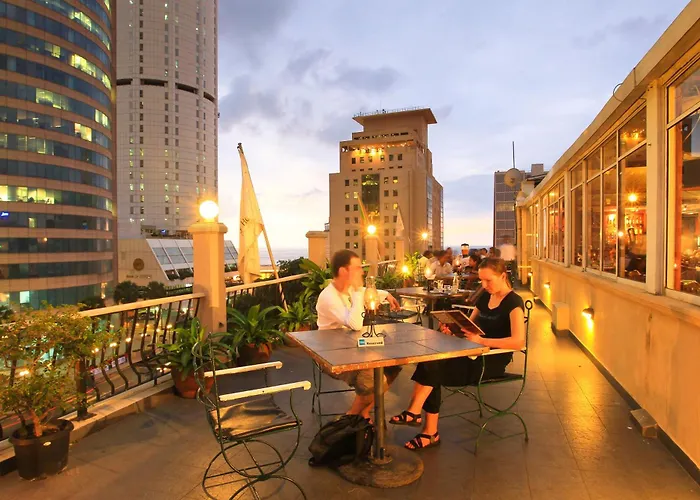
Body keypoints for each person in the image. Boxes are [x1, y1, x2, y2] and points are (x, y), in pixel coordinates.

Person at [389, 258, 525, 450]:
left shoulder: (514, 302)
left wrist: (483, 342)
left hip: (491, 361)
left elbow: (518, 342)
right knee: (431, 360)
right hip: (472, 353)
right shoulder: (485, 297)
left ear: (503, 276)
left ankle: (421, 421)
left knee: (433, 368)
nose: (484, 285)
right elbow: (469, 326)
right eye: (481, 280)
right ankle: (422, 423)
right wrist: (454, 329)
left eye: (488, 280)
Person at [316, 250, 402, 421]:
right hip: (332, 356)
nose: (362, 272)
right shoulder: (329, 297)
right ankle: (351, 417)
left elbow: (365, 291)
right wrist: (356, 292)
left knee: (393, 366)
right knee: (373, 379)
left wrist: (386, 295)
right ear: (343, 271)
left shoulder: (348, 289)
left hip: (353, 348)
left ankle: (362, 413)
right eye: (357, 268)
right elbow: (355, 324)